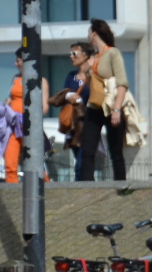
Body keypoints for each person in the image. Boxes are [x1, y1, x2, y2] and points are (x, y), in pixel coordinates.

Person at [80, 18, 129, 181]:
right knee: (87, 150)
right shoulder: (93, 57)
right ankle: (86, 187)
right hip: (94, 107)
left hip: (110, 108)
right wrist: (87, 68)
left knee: (115, 151)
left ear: (94, 33)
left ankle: (121, 187)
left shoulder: (113, 53)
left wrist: (117, 109)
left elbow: (122, 84)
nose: (87, 36)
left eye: (88, 32)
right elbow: (89, 85)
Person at [4, 49, 50, 183]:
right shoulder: (15, 79)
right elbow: (9, 99)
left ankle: (46, 187)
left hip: (31, 126)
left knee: (35, 162)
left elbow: (45, 107)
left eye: (18, 61)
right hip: (13, 126)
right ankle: (11, 190)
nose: (15, 64)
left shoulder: (41, 80)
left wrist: (29, 115)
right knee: (10, 161)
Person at [49, 42, 92, 181]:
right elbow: (64, 93)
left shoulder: (93, 75)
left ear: (85, 56)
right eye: (70, 54)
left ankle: (84, 187)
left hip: (89, 121)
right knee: (78, 160)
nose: (71, 57)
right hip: (74, 125)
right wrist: (69, 96)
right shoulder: (71, 75)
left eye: (74, 54)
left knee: (83, 162)